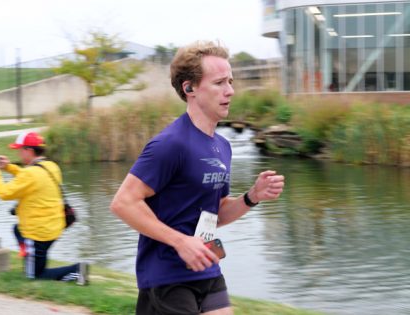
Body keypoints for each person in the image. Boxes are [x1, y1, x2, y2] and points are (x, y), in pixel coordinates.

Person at [110, 41, 285, 315]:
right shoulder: (170, 144)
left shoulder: (222, 146)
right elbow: (123, 203)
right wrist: (181, 241)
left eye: (230, 81)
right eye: (219, 83)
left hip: (206, 265)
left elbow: (217, 214)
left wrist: (252, 197)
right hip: (167, 275)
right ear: (189, 88)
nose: (230, 90)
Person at [0, 131, 89, 285]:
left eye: (20, 150)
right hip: (54, 227)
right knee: (17, 229)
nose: (19, 153)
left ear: (29, 150)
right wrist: (8, 167)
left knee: (33, 277)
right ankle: (29, 254)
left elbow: (4, 193)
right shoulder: (51, 166)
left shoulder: (31, 174)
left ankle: (77, 270)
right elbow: (30, 176)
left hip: (38, 234)